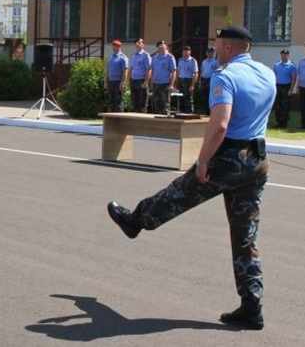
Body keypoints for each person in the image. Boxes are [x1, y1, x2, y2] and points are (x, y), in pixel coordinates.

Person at [106, 26, 276, 330]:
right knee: (246, 237)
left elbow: (220, 124)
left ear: (226, 47)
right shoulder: (267, 73)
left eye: (217, 45)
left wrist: (202, 161)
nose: (215, 51)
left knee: (177, 193)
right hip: (258, 160)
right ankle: (252, 306)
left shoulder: (225, 77)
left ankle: (136, 221)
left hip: (228, 158)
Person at [150, 40, 177, 114]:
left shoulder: (170, 57)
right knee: (155, 103)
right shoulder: (154, 57)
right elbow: (152, 70)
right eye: (159, 47)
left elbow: (174, 71)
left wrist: (171, 85)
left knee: (165, 104)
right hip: (156, 83)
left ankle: (166, 120)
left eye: (162, 46)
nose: (161, 48)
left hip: (165, 83)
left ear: (166, 47)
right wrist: (151, 82)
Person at [272, 49, 297, 128]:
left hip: (286, 87)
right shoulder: (276, 65)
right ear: (281, 55)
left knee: (285, 106)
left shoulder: (291, 66)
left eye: (286, 54)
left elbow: (293, 79)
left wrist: (291, 89)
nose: (284, 56)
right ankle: (278, 122)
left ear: (288, 55)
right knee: (278, 105)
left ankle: (284, 123)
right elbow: (274, 77)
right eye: (282, 54)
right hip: (278, 86)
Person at [105, 39, 129, 112]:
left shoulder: (123, 57)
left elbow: (125, 71)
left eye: (115, 46)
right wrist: (106, 81)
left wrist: (123, 82)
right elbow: (107, 70)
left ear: (119, 47)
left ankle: (119, 118)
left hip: (118, 82)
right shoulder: (111, 57)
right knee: (111, 101)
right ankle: (112, 118)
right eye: (113, 46)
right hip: (111, 81)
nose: (113, 48)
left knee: (118, 100)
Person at [129, 39, 152, 113]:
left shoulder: (146, 55)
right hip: (133, 80)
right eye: (136, 43)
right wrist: (129, 80)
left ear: (143, 45)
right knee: (134, 100)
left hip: (142, 80)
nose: (138, 44)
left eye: (139, 43)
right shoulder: (133, 55)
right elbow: (131, 68)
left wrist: (146, 81)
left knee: (142, 101)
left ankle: (143, 117)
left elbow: (149, 69)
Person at [177, 46, 199, 114]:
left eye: (187, 51)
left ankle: (189, 112)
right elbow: (178, 71)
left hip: (189, 80)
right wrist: (177, 82)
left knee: (189, 98)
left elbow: (196, 73)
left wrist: (192, 85)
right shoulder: (180, 60)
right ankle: (182, 111)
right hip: (181, 80)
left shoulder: (193, 61)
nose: (185, 53)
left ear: (190, 52)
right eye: (184, 51)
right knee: (181, 96)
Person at [198, 47, 219, 115]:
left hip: (211, 79)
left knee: (211, 95)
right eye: (209, 52)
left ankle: (211, 112)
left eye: (212, 52)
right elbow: (202, 71)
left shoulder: (216, 62)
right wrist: (200, 80)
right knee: (203, 95)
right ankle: (205, 111)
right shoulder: (204, 61)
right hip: (204, 79)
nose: (210, 53)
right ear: (207, 53)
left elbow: (218, 72)